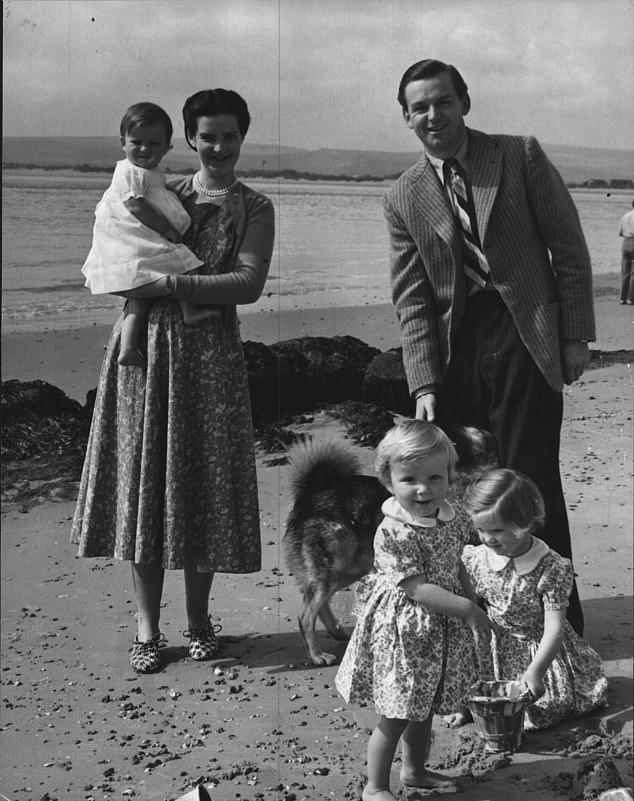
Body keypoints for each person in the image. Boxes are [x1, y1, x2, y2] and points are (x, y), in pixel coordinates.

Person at [384, 58, 596, 636]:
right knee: (463, 495)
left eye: (443, 101)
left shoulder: (518, 154)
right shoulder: (402, 194)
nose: (434, 115)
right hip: (457, 353)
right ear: (406, 118)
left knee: (528, 480)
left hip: (524, 334)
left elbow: (568, 250)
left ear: (464, 103)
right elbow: (413, 300)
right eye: (420, 107)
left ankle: (561, 625)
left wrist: (574, 336)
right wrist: (424, 383)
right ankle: (489, 622)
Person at [70, 88, 275, 673]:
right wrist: (159, 291)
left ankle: (200, 621)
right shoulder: (156, 188)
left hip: (210, 361)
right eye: (207, 136)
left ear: (243, 138)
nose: (218, 146)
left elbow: (247, 283)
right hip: (146, 357)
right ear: (190, 139)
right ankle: (147, 628)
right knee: (144, 486)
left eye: (229, 136)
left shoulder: (255, 207)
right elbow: (113, 260)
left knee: (201, 487)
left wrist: (170, 288)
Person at [335, 419, 492, 800]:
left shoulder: (451, 517)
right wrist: (469, 611)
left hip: (441, 628)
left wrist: (473, 598)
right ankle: (374, 787)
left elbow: (456, 565)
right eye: (409, 479)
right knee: (397, 713)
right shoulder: (395, 530)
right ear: (389, 480)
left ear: (451, 477)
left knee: (424, 708)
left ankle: (415, 770)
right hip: (405, 632)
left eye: (435, 477)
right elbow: (418, 589)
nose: (423, 489)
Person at [459, 469, 608, 730]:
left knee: (542, 708)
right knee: (467, 691)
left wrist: (537, 670)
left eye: (496, 530)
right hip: (493, 643)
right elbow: (470, 600)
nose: (486, 538)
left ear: (525, 523)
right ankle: (468, 709)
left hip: (536, 647)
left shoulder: (549, 567)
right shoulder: (476, 557)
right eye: (480, 529)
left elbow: (554, 628)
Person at [81, 102, 209, 366]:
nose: (144, 149)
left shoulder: (147, 173)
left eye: (153, 144)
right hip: (131, 242)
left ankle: (127, 349)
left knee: (138, 302)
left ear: (166, 147)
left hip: (131, 243)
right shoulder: (129, 171)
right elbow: (135, 205)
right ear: (123, 143)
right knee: (182, 264)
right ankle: (190, 310)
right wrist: (168, 229)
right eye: (136, 142)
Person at [618, 200, 634, 304]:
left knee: (625, 272)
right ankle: (631, 298)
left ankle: (622, 298)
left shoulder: (625, 215)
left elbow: (620, 232)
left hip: (625, 242)